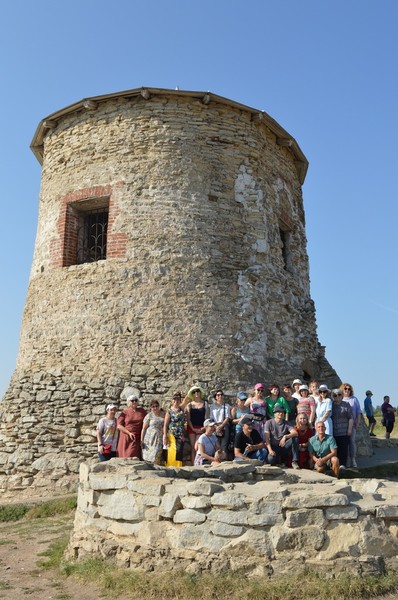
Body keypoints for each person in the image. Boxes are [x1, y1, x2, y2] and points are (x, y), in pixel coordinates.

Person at [184, 386, 209, 464]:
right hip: (192, 427)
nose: (196, 393)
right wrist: (192, 428)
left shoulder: (205, 404)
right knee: (192, 447)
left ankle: (198, 463)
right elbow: (188, 418)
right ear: (192, 394)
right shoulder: (190, 405)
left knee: (197, 446)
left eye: (198, 391)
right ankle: (193, 464)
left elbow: (207, 418)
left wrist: (203, 428)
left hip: (201, 427)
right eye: (194, 392)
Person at [340, 383, 362, 468]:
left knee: (352, 442)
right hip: (342, 425)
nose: (347, 390)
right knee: (344, 443)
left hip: (352, 424)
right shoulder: (340, 398)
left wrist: (358, 423)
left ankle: (353, 459)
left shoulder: (354, 399)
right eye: (345, 389)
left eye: (349, 389)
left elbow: (358, 412)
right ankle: (346, 460)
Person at [331, 388, 353, 471]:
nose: (337, 396)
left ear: (342, 395)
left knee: (343, 449)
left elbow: (350, 418)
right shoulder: (331, 405)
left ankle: (343, 464)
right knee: (335, 449)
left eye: (339, 394)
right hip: (334, 431)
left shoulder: (346, 404)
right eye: (335, 395)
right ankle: (335, 464)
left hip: (344, 430)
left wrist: (349, 429)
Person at [163, 391, 186, 466]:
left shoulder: (182, 409)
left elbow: (187, 398)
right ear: (172, 401)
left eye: (178, 399)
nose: (176, 401)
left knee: (179, 451)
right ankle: (169, 466)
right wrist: (165, 436)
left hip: (181, 434)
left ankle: (178, 466)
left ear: (180, 401)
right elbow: (165, 425)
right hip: (171, 434)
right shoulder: (169, 411)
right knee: (171, 451)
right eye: (174, 399)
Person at [141, 399, 165, 464]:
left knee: (157, 452)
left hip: (159, 437)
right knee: (148, 454)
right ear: (151, 408)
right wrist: (142, 439)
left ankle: (156, 469)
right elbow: (144, 428)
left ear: (159, 406)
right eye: (153, 406)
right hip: (149, 438)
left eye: (156, 406)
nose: (155, 408)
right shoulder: (149, 416)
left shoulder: (164, 414)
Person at [209, 389, 232, 454]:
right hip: (215, 426)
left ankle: (223, 460)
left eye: (221, 394)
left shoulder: (226, 406)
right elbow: (211, 418)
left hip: (224, 426)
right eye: (218, 395)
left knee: (224, 445)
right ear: (215, 397)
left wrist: (221, 426)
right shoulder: (212, 406)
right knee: (216, 445)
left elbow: (227, 417)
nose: (220, 396)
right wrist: (216, 427)